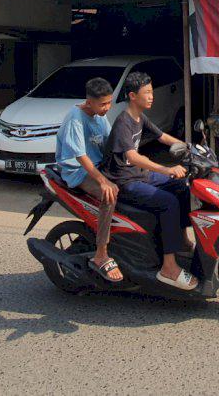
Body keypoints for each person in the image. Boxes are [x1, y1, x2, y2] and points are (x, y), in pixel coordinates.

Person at [105, 71, 197, 290]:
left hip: (139, 174)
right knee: (168, 202)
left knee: (182, 186)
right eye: (146, 92)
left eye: (151, 91)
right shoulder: (123, 122)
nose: (151, 96)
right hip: (125, 181)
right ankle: (169, 267)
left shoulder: (140, 117)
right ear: (132, 96)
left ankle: (181, 240)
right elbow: (132, 156)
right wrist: (165, 170)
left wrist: (190, 149)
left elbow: (162, 137)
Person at [54, 76, 123, 283]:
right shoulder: (75, 117)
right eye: (103, 104)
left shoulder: (100, 116)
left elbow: (110, 144)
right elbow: (80, 157)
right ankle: (101, 253)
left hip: (97, 166)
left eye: (110, 102)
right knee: (109, 194)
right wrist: (103, 181)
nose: (107, 107)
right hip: (78, 171)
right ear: (89, 101)